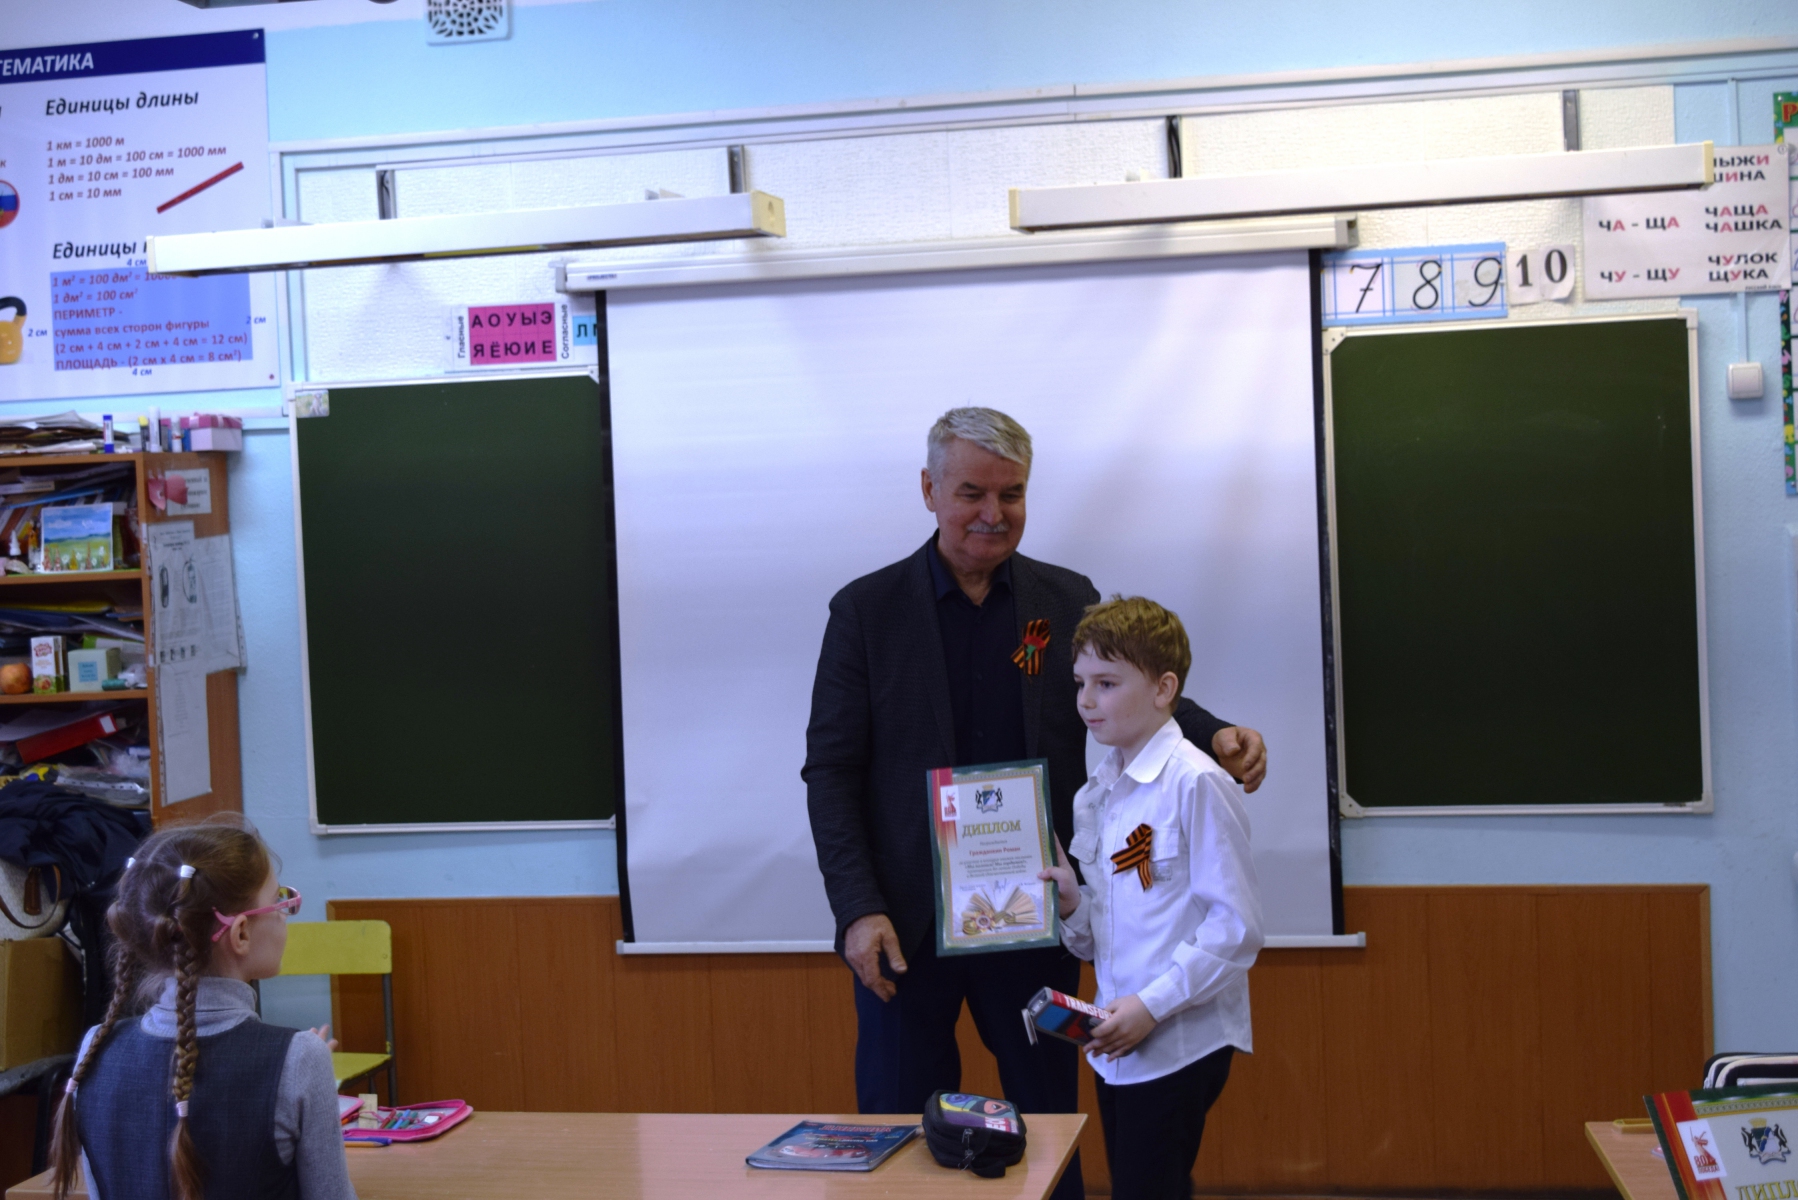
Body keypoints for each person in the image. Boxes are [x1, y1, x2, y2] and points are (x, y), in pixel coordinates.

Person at [803, 407, 1266, 1200]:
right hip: (907, 927)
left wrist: (1215, 733)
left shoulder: (1062, 596)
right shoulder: (866, 613)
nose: (993, 512)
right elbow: (832, 771)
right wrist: (857, 908)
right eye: (972, 493)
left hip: (1036, 915)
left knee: (1049, 1133)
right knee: (900, 1137)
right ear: (929, 491)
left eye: (1011, 494)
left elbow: (1130, 685)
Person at [1038, 596, 1262, 1200]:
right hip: (1117, 1040)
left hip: (1178, 1040)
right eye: (1081, 682)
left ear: (1164, 689)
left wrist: (1150, 1007)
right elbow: (1104, 935)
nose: (1086, 701)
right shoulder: (1097, 793)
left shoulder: (1197, 781)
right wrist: (1072, 906)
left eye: (1107, 684)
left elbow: (1236, 929)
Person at [48, 816, 356, 1200]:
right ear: (240, 933)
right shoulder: (302, 1059)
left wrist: (296, 1071)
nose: (284, 911)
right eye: (277, 899)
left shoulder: (95, 1048)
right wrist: (301, 1072)